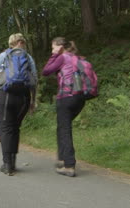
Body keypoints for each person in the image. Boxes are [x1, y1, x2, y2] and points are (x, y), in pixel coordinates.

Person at [0, 33, 37, 175]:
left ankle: (7, 165)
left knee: (6, 129)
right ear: (21, 42)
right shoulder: (28, 57)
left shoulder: (4, 56)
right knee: (15, 128)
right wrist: (33, 100)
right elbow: (34, 80)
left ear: (11, 43)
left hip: (6, 96)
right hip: (23, 97)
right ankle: (12, 161)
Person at [42, 37, 86, 177]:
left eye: (53, 47)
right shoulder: (77, 58)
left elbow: (46, 71)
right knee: (62, 127)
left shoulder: (62, 57)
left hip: (66, 97)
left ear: (60, 47)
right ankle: (62, 159)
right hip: (80, 98)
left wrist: (55, 55)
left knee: (65, 129)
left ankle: (69, 165)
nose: (52, 50)